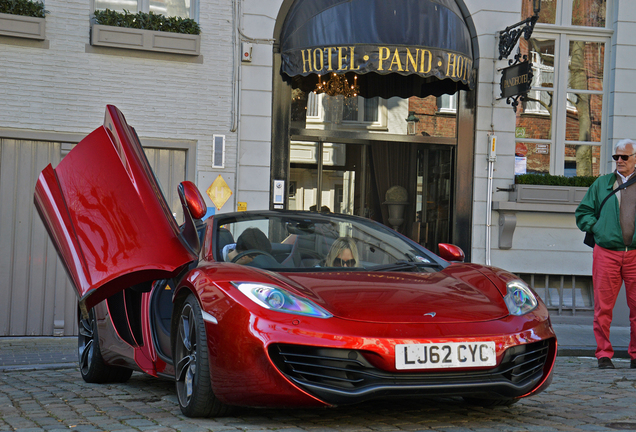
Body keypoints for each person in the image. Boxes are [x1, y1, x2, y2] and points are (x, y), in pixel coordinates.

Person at [575, 138, 636, 370]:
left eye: (624, 157)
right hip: (606, 253)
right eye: (616, 157)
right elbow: (583, 212)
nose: (619, 161)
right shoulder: (602, 184)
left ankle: (635, 355)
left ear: (635, 159)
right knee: (603, 308)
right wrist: (599, 228)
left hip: (635, 254)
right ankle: (603, 354)